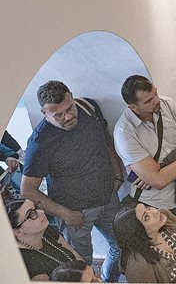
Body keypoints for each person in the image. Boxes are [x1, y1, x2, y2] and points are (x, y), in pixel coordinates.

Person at [20, 81, 124, 282]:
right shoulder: (39, 142)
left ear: (72, 97)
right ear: (44, 112)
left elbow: (104, 139)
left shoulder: (88, 107)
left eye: (69, 108)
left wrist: (117, 173)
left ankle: (106, 279)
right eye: (58, 114)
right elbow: (27, 190)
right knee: (80, 266)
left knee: (121, 247)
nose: (67, 116)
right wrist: (66, 214)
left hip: (107, 199)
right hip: (76, 214)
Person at [113, 75, 176, 252]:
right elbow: (159, 182)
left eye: (155, 93)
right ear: (132, 107)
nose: (157, 101)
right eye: (149, 100)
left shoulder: (168, 105)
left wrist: (158, 170)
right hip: (157, 204)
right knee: (172, 251)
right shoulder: (124, 132)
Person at [113, 203, 176, 284]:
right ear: (139, 233)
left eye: (148, 208)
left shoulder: (164, 216)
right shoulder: (137, 266)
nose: (155, 211)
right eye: (146, 217)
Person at [7, 198, 83, 280]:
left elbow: (73, 252)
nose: (41, 212)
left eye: (36, 207)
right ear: (18, 232)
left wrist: (90, 272)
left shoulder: (45, 231)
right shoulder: (28, 264)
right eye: (31, 214)